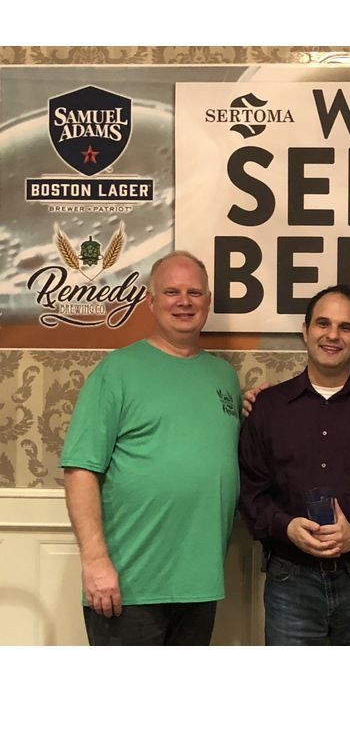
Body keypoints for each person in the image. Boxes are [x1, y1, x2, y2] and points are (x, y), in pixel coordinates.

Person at [59, 251, 241, 646]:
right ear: (151, 300)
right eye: (172, 291)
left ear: (208, 301)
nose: (184, 301)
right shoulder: (117, 371)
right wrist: (94, 562)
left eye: (195, 292)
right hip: (128, 585)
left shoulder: (224, 376)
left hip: (200, 585)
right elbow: (79, 471)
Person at [238, 285, 350, 646]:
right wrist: (286, 527)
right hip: (291, 582)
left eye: (345, 327)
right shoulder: (269, 408)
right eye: (323, 323)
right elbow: (251, 492)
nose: (332, 335)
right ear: (305, 331)